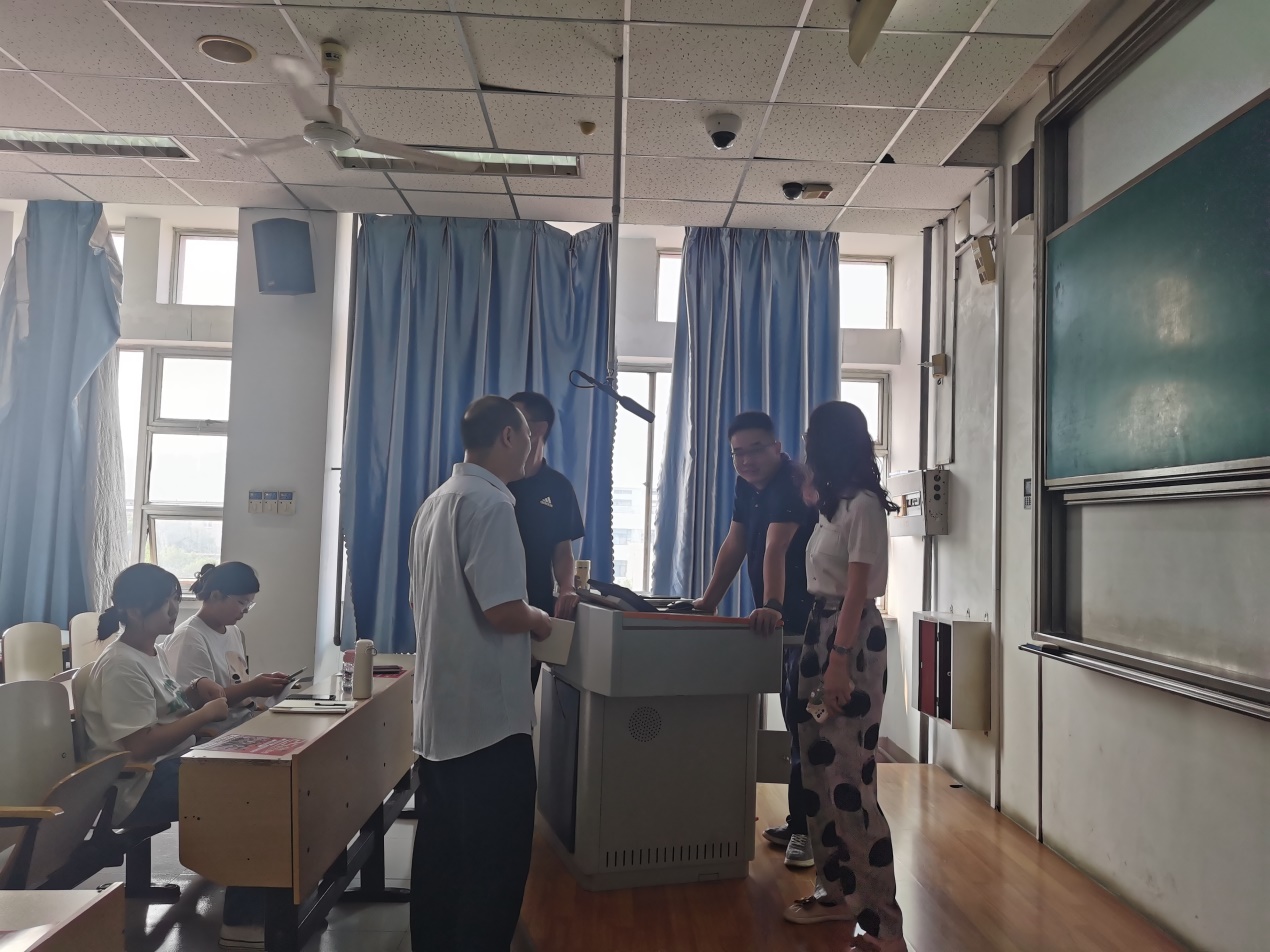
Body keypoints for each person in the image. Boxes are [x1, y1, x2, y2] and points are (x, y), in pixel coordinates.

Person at [407, 395, 552, 952]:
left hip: (439, 720)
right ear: (509, 437)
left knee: (440, 861)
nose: (533, 449)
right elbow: (503, 611)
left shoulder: (435, 502)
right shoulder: (492, 504)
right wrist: (540, 619)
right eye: (529, 438)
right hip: (487, 724)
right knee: (494, 868)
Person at [80, 563, 268, 950]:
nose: (174, 609)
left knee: (264, 777)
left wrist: (196, 690)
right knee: (252, 795)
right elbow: (140, 745)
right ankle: (243, 920)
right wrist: (202, 716)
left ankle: (271, 896)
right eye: (166, 602)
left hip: (166, 767)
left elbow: (169, 708)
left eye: (175, 600)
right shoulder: (121, 665)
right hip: (137, 784)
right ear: (135, 611)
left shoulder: (151, 652)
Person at [782, 401, 907, 952]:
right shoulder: (833, 505)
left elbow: (857, 592)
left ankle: (884, 927)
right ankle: (835, 893)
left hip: (848, 644)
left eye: (812, 435)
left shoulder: (865, 508)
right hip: (821, 633)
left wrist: (837, 661)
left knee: (850, 780)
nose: (806, 441)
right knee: (816, 768)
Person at [693, 411, 817, 869]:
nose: (746, 460)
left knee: (806, 730)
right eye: (737, 453)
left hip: (809, 626)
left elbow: (776, 547)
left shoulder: (791, 483)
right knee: (794, 725)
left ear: (777, 447)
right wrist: (707, 602)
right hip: (781, 627)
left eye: (756, 449)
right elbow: (736, 544)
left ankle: (808, 832)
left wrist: (773, 606)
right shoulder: (748, 487)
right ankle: (800, 820)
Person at [508, 391, 585, 691]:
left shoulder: (559, 487)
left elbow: (563, 550)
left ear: (538, 429)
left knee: (521, 697)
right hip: (490, 606)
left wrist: (567, 588)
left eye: (514, 418)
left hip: (534, 607)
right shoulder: (495, 479)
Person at [158, 561, 290, 728]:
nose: (246, 610)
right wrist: (253, 687)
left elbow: (233, 685)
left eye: (249, 604)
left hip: (242, 723)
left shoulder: (233, 631)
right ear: (215, 595)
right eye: (242, 602)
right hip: (214, 733)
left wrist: (264, 684)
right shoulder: (189, 637)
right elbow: (193, 703)